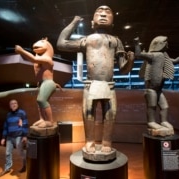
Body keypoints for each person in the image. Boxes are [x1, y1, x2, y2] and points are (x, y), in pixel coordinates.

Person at [57, 5, 134, 153]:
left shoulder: (116, 41)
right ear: (92, 22)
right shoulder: (87, 40)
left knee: (110, 114)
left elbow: (123, 69)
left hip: (109, 85)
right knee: (88, 113)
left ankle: (107, 142)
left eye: (108, 12)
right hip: (90, 85)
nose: (103, 14)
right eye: (99, 12)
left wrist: (130, 61)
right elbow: (61, 44)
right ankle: (89, 142)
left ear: (112, 23)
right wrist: (74, 22)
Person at [134, 36, 179, 136]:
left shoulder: (164, 56)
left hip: (159, 90)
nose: (168, 45)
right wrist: (136, 44)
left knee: (165, 106)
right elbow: (139, 54)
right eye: (166, 43)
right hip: (151, 89)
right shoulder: (153, 55)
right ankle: (151, 122)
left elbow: (175, 61)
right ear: (160, 44)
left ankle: (163, 121)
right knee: (152, 106)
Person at [15, 38, 61, 128]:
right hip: (43, 83)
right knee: (39, 102)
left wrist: (22, 51)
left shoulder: (47, 58)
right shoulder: (41, 58)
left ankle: (49, 121)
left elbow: (34, 59)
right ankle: (42, 119)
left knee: (41, 100)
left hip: (47, 82)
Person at [0, 99, 28, 177]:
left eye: (15, 103)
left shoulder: (22, 113)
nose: (14, 104)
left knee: (20, 152)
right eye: (12, 103)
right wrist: (3, 138)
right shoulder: (8, 115)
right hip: (9, 137)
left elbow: (25, 124)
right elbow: (5, 127)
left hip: (19, 135)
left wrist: (24, 136)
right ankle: (7, 168)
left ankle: (26, 165)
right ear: (10, 106)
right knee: (8, 153)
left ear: (17, 104)